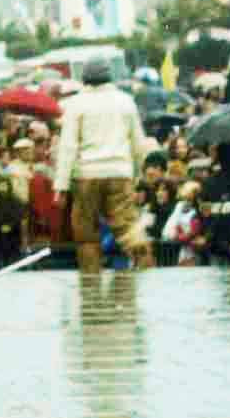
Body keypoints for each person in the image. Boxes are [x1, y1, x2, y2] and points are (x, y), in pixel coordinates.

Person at [52, 59, 154, 273]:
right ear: (109, 78)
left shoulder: (76, 104)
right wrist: (134, 175)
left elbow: (68, 146)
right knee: (129, 230)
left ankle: (91, 282)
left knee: (86, 234)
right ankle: (146, 270)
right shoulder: (126, 101)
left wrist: (60, 186)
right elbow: (138, 143)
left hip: (86, 175)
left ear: (85, 79)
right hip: (120, 172)